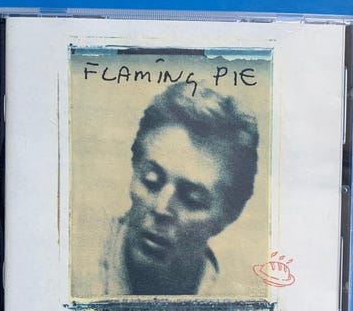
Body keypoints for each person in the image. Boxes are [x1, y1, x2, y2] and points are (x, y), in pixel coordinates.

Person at [99, 82, 259, 296]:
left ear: (229, 215)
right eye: (151, 181)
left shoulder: (243, 298)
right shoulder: (69, 266)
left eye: (192, 200)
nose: (161, 207)